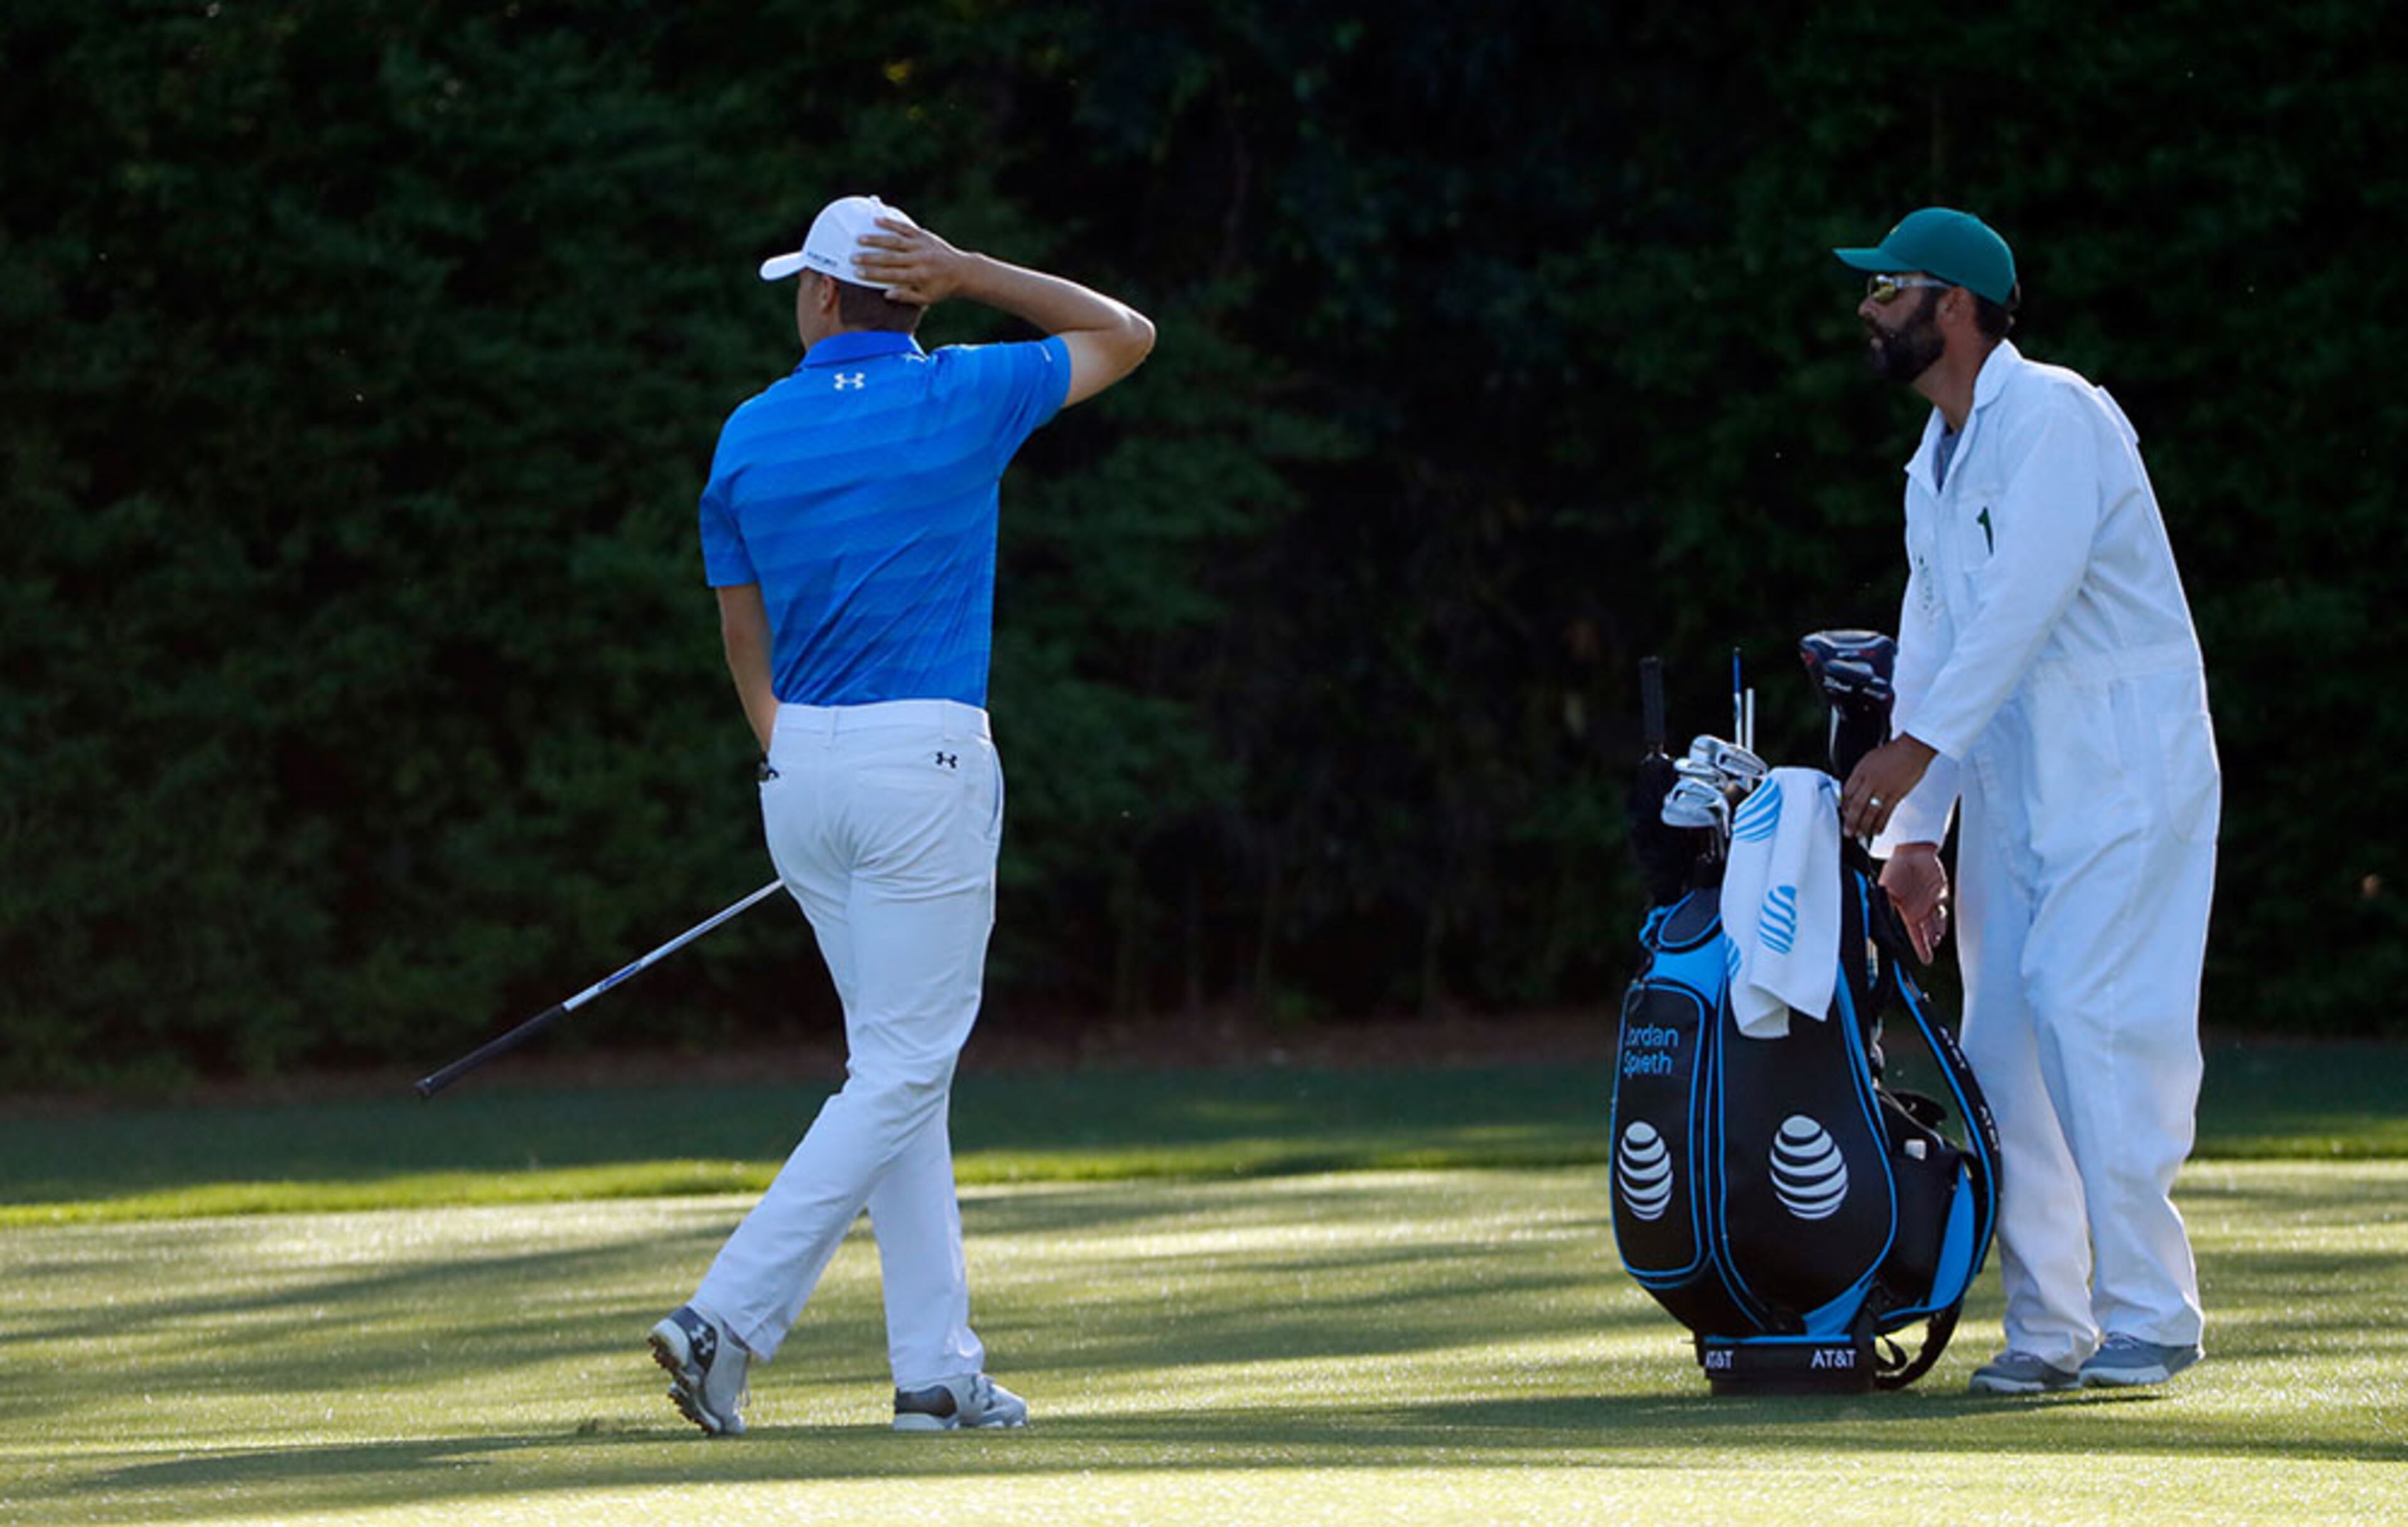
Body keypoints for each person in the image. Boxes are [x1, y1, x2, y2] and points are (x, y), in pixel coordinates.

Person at [648, 194, 1154, 1435]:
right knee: (907, 1065)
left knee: (895, 1067)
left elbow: (739, 631)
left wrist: (797, 748)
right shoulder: (963, 392)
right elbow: (1127, 333)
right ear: (908, 296)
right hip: (920, 762)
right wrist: (972, 271)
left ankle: (936, 1370)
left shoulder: (750, 429)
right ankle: (725, 1320)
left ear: (820, 297)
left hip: (800, 763)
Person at [1829, 208, 2221, 1397]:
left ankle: (2155, 1312)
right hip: (2014, 782)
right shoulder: (1931, 468)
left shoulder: (2057, 413)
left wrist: (1908, 751)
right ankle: (2051, 1330)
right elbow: (1936, 646)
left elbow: (2027, 605)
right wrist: (1914, 841)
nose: (1867, 308)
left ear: (1953, 303)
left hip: (2125, 766)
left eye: (1887, 289)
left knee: (2087, 1009)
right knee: (2001, 1038)